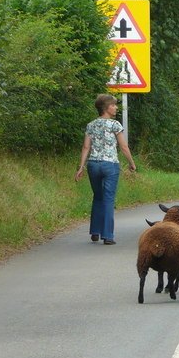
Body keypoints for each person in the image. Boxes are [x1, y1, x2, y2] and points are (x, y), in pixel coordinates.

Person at [75, 94, 136, 245]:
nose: (116, 107)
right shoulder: (115, 124)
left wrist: (81, 167)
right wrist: (131, 163)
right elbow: (123, 146)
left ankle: (95, 232)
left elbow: (86, 147)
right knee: (108, 199)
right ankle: (108, 235)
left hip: (93, 164)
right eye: (113, 105)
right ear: (105, 107)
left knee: (97, 197)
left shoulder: (91, 125)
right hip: (110, 165)